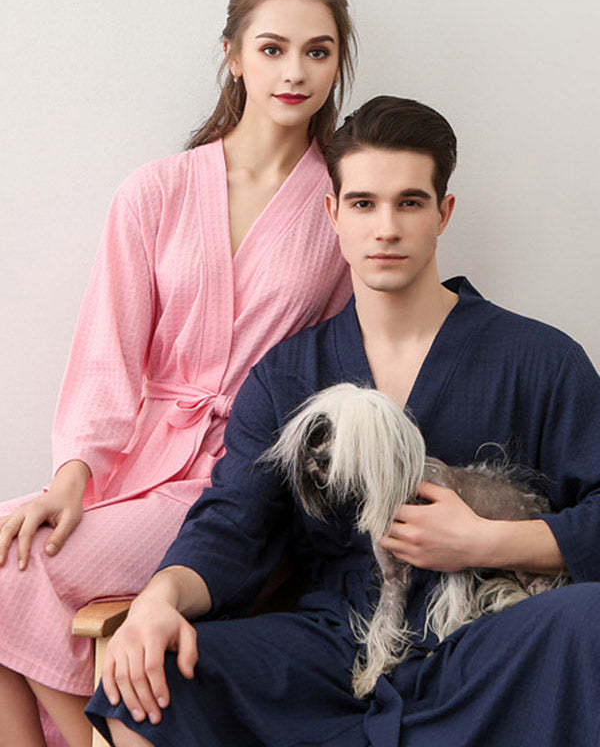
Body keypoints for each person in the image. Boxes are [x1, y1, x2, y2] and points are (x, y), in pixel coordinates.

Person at [86, 95, 600, 747]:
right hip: (334, 648)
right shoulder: (286, 375)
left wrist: (485, 543)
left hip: (490, 645)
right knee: (146, 684)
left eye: (409, 203)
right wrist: (157, 600)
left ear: (443, 213)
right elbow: (232, 526)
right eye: (363, 204)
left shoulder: (540, 359)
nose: (385, 228)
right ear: (332, 213)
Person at [0, 0, 356, 745]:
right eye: (272, 48)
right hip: (132, 464)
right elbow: (107, 354)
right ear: (233, 55)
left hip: (242, 478)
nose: (294, 71)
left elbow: (340, 374)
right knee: (6, 550)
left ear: (338, 62)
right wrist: (71, 478)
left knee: (20, 570)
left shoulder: (342, 206)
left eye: (318, 50)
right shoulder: (156, 191)